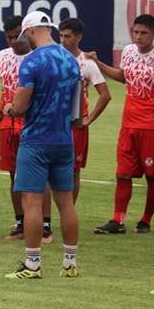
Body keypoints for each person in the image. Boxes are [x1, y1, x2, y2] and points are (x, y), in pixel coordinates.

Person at [3, 11, 81, 279]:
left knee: (32, 204)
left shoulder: (31, 62)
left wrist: (10, 108)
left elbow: (21, 105)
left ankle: (33, 265)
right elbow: (76, 107)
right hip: (64, 139)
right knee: (66, 203)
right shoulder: (71, 60)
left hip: (36, 140)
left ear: (31, 31)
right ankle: (70, 263)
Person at [89, 14, 154, 235]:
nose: (138, 36)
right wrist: (97, 63)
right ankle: (117, 221)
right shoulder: (128, 52)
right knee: (122, 174)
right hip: (128, 125)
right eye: (135, 32)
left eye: (143, 33)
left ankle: (146, 219)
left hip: (152, 127)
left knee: (152, 175)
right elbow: (122, 77)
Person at [0, 15, 52, 242]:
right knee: (14, 176)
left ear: (26, 33)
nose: (13, 41)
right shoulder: (2, 57)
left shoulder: (37, 57)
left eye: (16, 36)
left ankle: (46, 225)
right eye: (9, 36)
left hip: (33, 122)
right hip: (8, 125)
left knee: (41, 176)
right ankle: (21, 222)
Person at [58, 18, 111, 201]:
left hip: (76, 123)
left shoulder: (87, 63)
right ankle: (46, 218)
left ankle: (68, 212)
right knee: (49, 169)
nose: (63, 40)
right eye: (61, 35)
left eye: (68, 36)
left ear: (78, 37)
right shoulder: (53, 58)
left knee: (73, 171)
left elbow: (105, 95)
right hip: (54, 122)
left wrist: (89, 119)